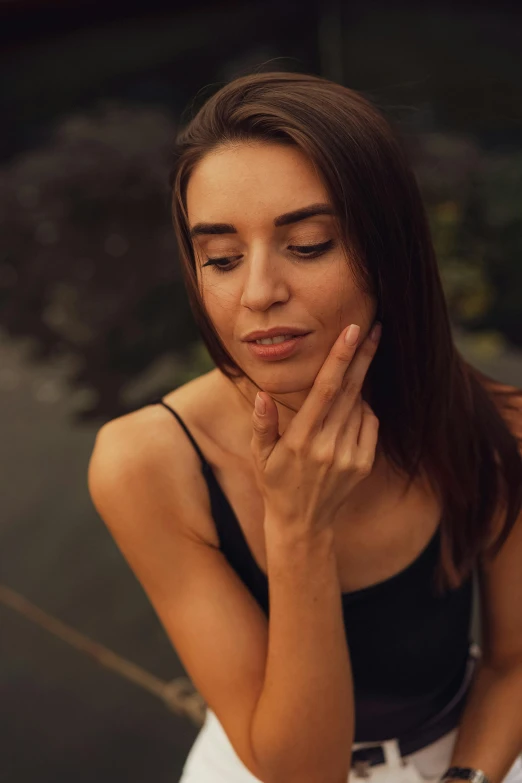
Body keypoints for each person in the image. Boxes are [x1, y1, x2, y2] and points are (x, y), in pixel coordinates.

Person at [87, 72, 522, 783]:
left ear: (390, 250)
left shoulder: (497, 426)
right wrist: (298, 529)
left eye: (310, 244)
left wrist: (466, 778)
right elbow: (298, 774)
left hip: (469, 751)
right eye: (221, 259)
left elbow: (513, 663)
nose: (258, 292)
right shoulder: (146, 462)